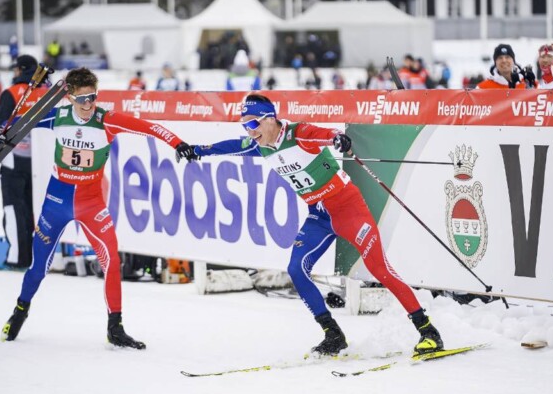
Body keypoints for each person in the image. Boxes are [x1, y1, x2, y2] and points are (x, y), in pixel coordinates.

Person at [179, 93, 444, 357]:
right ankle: (333, 334)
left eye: (252, 124)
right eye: (244, 125)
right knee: (296, 269)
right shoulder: (258, 145)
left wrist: (336, 138)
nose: (249, 131)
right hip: (318, 215)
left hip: (348, 209)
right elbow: (230, 147)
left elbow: (321, 133)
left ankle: (427, 330)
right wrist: (198, 151)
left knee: (379, 268)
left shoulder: (298, 134)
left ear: (269, 119)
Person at [0, 67, 194, 348]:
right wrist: (1, 130)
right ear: (69, 98)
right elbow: (19, 123)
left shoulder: (107, 121)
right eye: (83, 99)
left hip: (91, 203)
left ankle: (115, 327)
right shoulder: (57, 116)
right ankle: (20, 311)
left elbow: (149, 127)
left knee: (112, 261)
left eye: (93, 97)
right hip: (57, 202)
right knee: (39, 266)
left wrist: (178, 143)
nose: (89, 104)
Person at [0, 55, 48, 271]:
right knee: (33, 209)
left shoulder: (12, 93)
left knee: (14, 208)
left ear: (20, 70)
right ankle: (35, 257)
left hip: (13, 160)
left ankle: (16, 258)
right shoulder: (46, 93)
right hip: (39, 161)